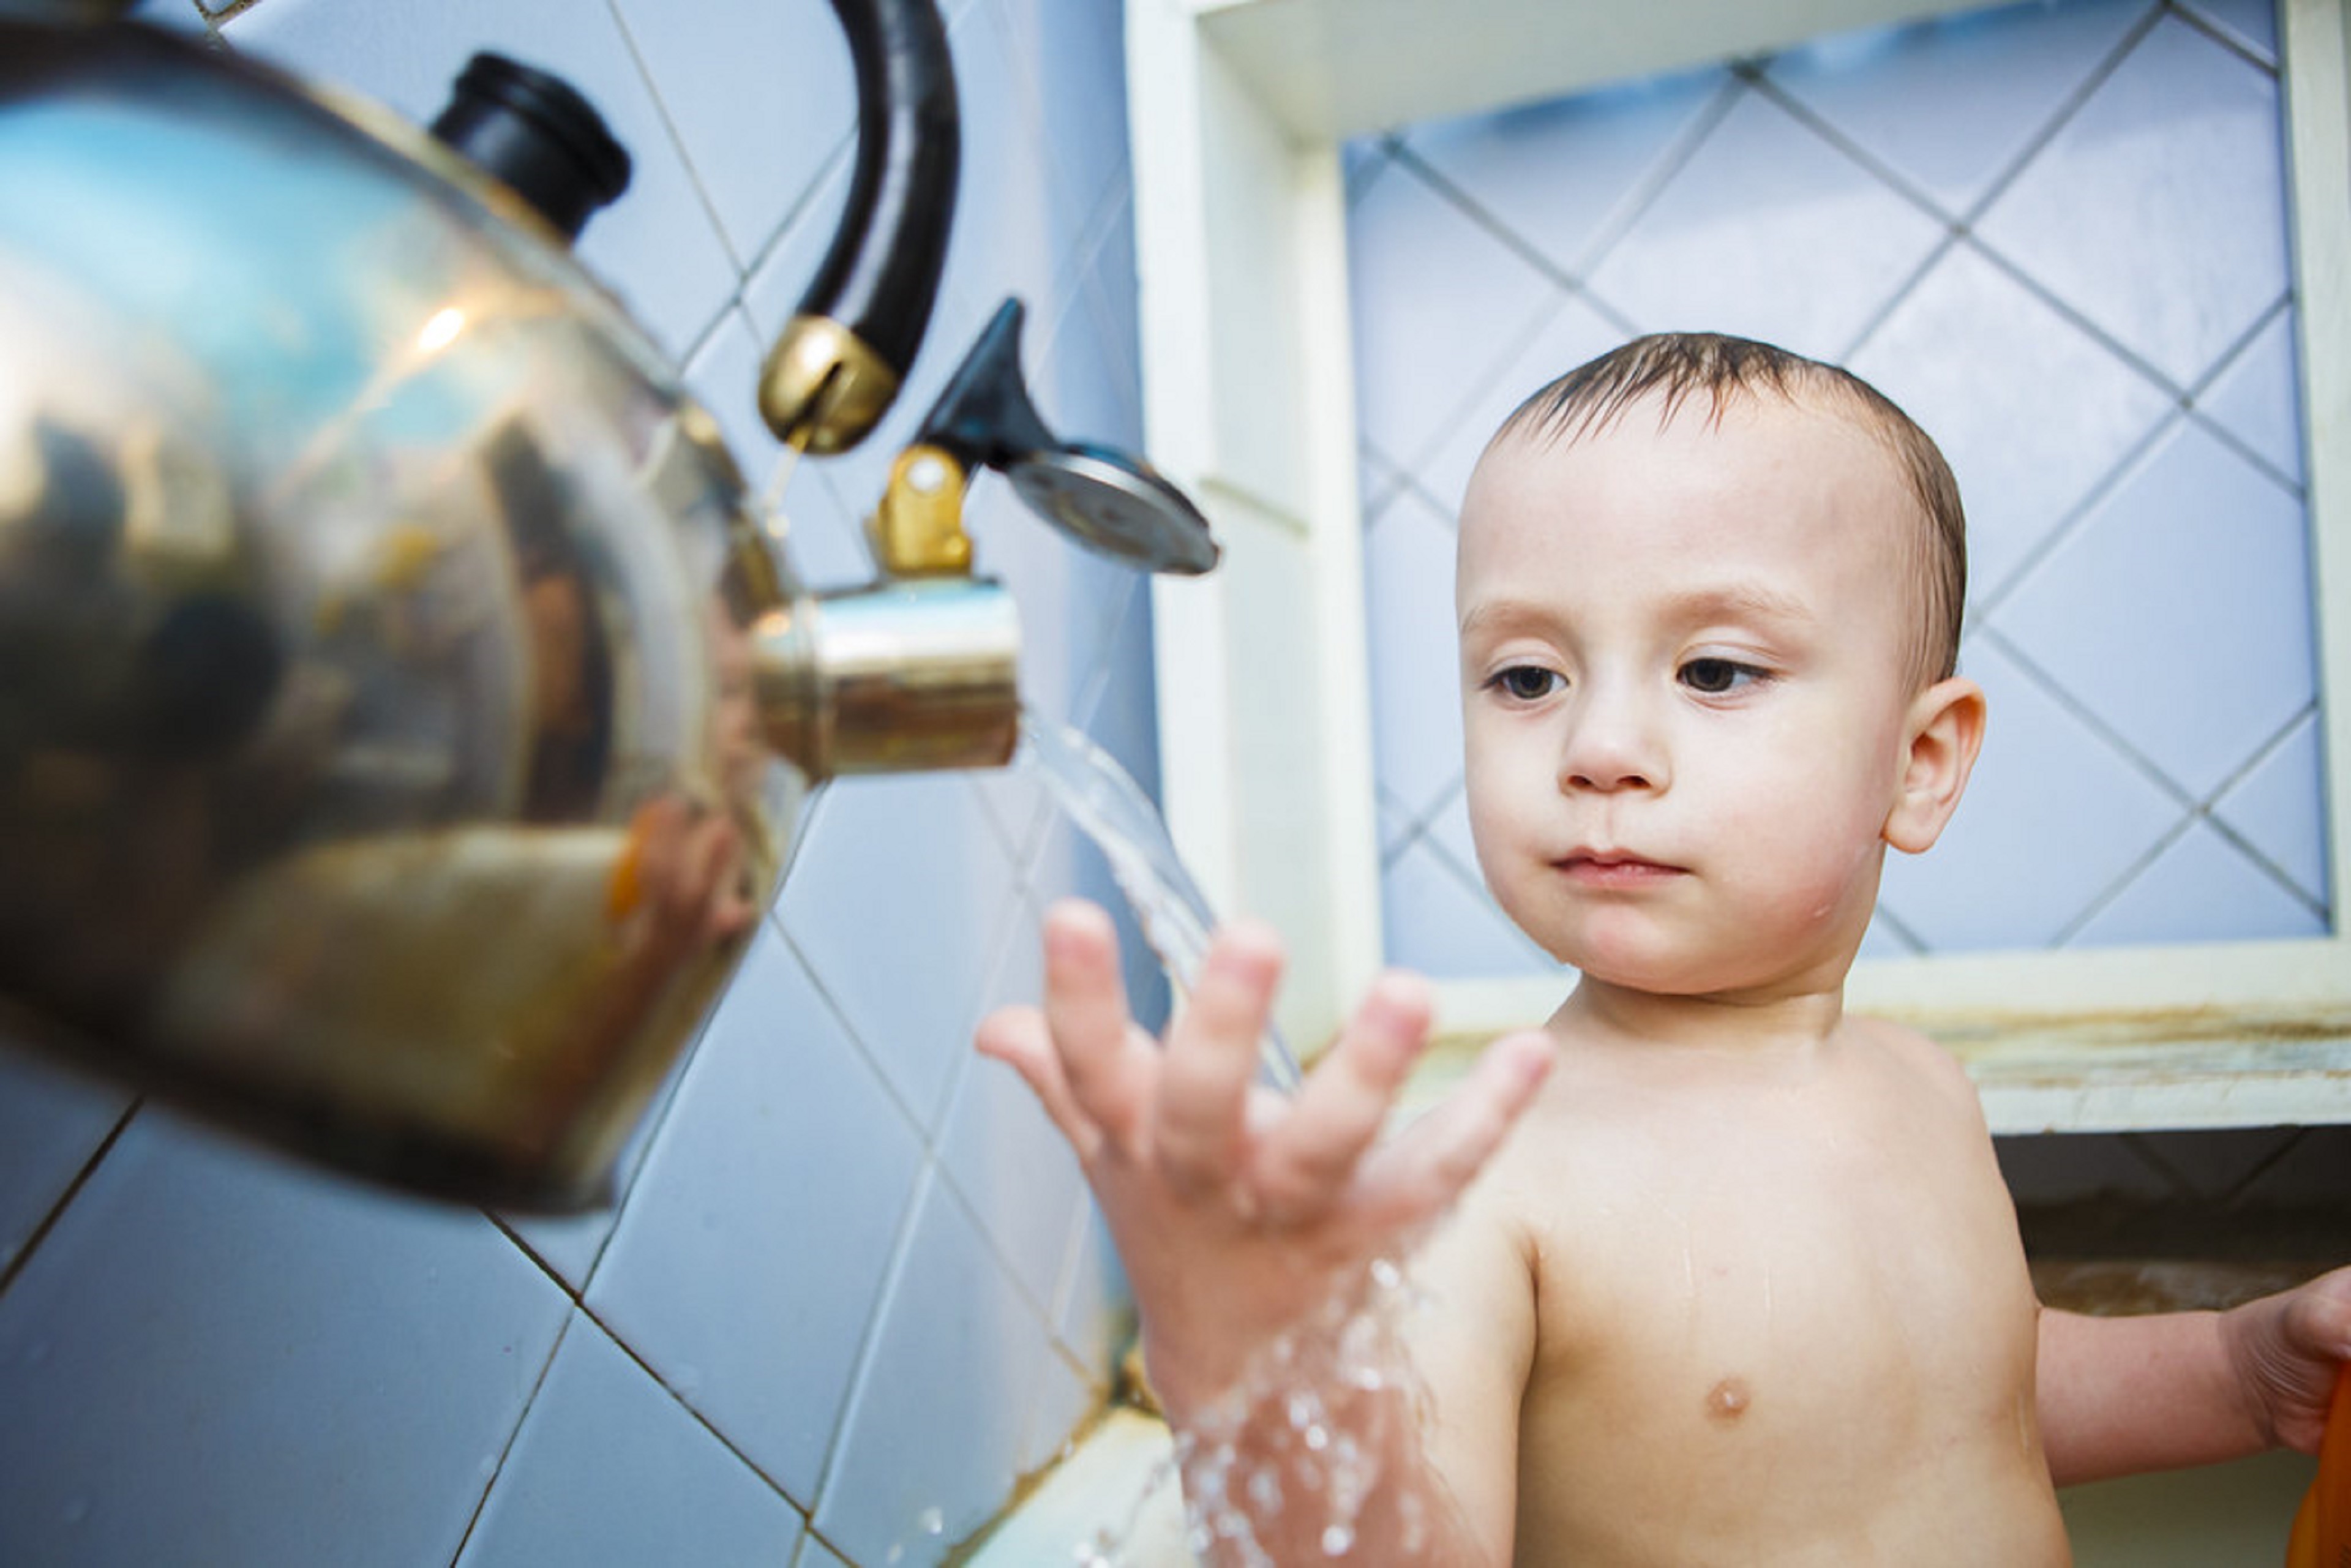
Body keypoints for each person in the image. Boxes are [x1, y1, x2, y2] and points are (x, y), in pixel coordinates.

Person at [977, 333, 2351, 1565]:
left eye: (1713, 671)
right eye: (1528, 677)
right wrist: (1248, 1395)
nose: (1601, 750)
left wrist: (2238, 1375)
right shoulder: (1486, 1186)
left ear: (1920, 764)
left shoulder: (1924, 1089)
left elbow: (1961, 1413)